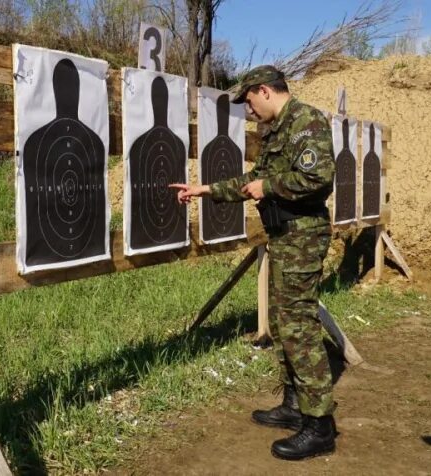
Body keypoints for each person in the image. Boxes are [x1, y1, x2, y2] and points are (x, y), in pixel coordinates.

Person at [170, 65, 337, 460]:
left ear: (264, 90)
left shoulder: (306, 121)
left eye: (248, 100)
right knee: (282, 322)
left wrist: (270, 186)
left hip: (303, 236)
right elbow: (253, 180)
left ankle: (320, 425)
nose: (248, 109)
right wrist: (205, 189)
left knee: (298, 325)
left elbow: (320, 178)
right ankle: (295, 405)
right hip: (285, 236)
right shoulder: (277, 131)